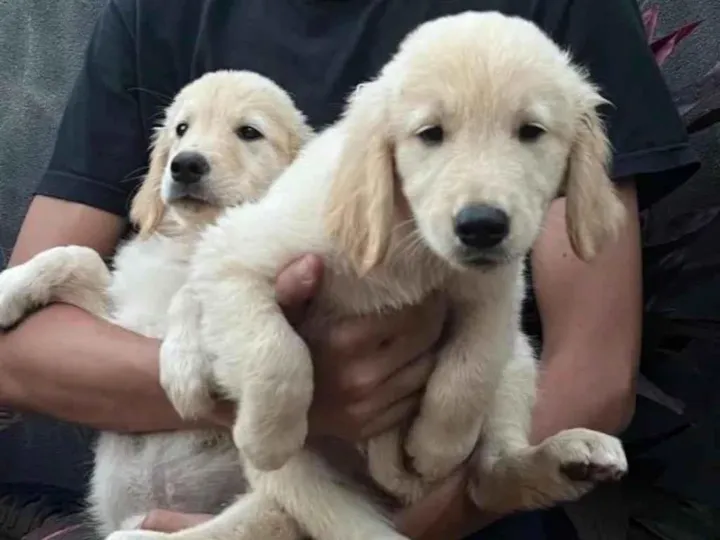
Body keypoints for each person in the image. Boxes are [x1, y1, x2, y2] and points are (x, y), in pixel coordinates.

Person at [0, 0, 699, 538]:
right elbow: (17, 355)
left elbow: (594, 372)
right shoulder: (158, 14)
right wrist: (269, 388)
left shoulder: (556, 25)